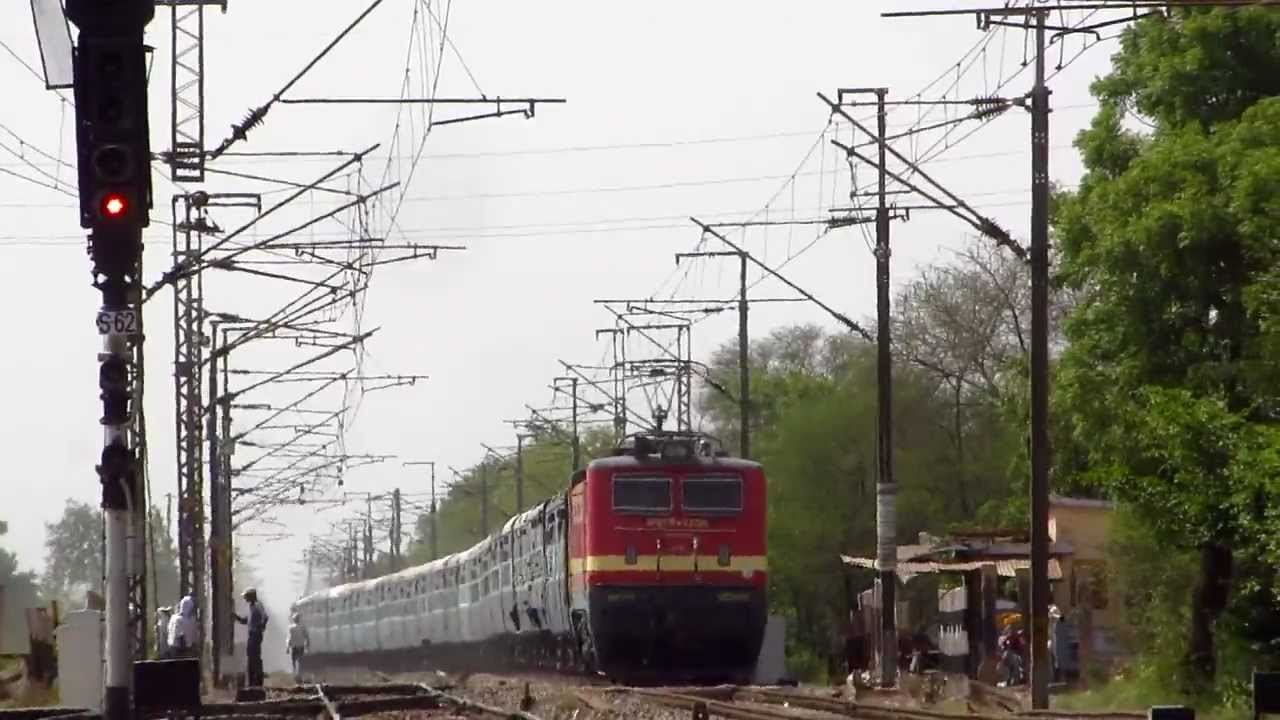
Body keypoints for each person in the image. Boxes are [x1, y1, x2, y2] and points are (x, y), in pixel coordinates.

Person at [234, 588, 269, 687]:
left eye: (246, 596)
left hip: (255, 635)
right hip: (252, 634)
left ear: (251, 596)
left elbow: (265, 617)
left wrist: (261, 627)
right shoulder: (251, 607)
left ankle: (257, 681)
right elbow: (247, 621)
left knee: (255, 657)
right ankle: (252, 681)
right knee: (251, 657)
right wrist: (237, 618)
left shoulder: (258, 605)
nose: (245, 598)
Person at [287, 613, 310, 682]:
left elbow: (289, 638)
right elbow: (306, 636)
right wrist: (307, 644)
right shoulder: (303, 627)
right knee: (300, 661)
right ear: (298, 619)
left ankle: (295, 674)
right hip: (300, 646)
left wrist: (287, 647)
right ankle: (299, 675)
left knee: (293, 661)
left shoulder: (291, 627)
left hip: (294, 646)